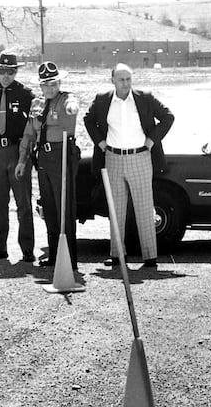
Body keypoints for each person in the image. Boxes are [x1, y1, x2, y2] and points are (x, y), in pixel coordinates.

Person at [84, 63, 174, 268]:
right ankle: (117, 255)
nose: (125, 84)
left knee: (144, 208)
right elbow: (88, 120)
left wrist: (152, 140)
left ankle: (150, 257)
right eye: (121, 80)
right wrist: (100, 142)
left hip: (140, 157)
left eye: (128, 79)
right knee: (116, 209)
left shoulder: (145, 98)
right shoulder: (102, 100)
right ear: (113, 80)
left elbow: (168, 117)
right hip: (113, 158)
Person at [15, 62, 81, 269]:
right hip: (43, 157)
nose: (50, 88)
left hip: (62, 156)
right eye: (46, 85)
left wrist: (72, 107)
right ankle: (54, 255)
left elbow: (72, 107)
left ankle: (69, 259)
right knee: (49, 208)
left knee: (64, 208)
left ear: (59, 83)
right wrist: (22, 160)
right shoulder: (37, 104)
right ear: (41, 86)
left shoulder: (65, 99)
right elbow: (29, 133)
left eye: (53, 84)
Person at [0, 52, 36, 263]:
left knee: (23, 202)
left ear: (16, 72)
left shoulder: (26, 95)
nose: (5, 75)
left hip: (17, 151)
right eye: (2, 71)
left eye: (10, 72)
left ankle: (27, 249)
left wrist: (25, 154)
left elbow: (32, 126)